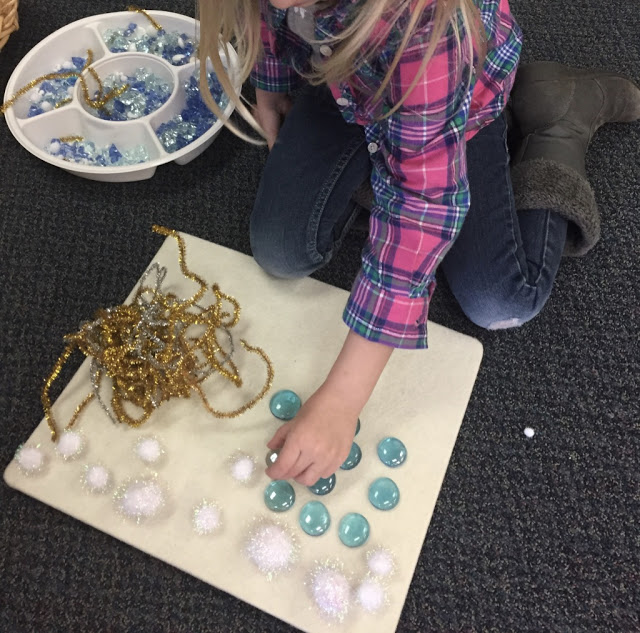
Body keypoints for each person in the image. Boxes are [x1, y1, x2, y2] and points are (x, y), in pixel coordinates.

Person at [198, 0, 640, 486]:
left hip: (456, 97)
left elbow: (424, 203)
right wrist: (273, 79)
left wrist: (343, 399)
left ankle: (562, 118)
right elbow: (269, 16)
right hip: (346, 78)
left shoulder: (426, 22)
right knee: (281, 250)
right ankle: (392, 153)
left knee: (500, 300)